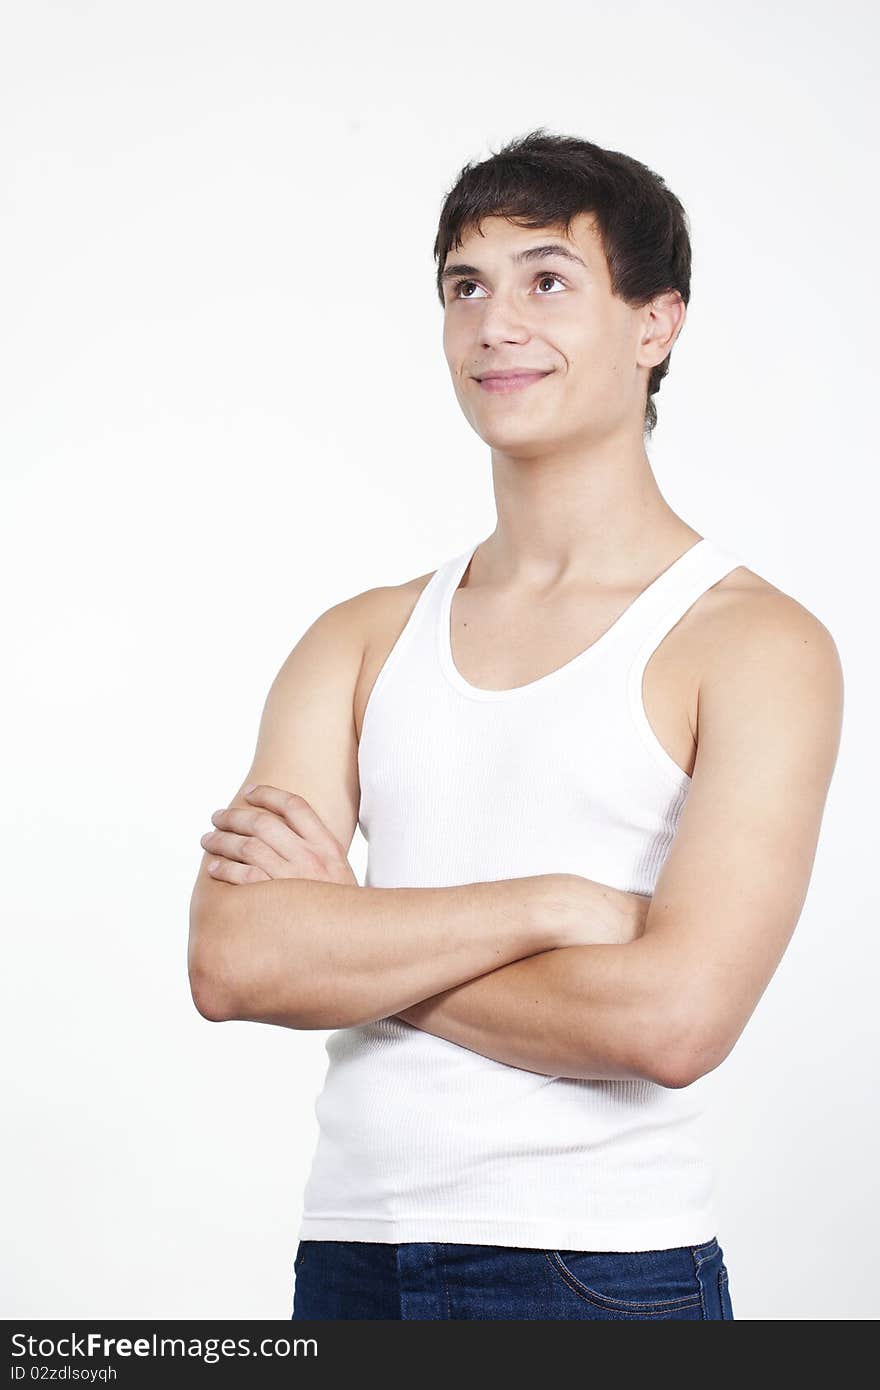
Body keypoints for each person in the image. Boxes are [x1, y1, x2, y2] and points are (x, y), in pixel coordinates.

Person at [187, 129, 844, 1320]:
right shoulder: (362, 636)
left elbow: (674, 1018)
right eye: (464, 286)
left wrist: (344, 942)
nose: (494, 323)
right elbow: (235, 962)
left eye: (547, 279)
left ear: (656, 323)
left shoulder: (751, 644)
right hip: (349, 1258)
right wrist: (549, 906)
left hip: (597, 1271)